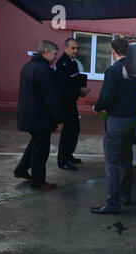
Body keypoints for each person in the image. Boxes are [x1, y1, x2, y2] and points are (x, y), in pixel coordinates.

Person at [90, 38, 136, 214]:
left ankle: (112, 204)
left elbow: (106, 98)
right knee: (125, 161)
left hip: (116, 122)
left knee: (112, 163)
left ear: (113, 51)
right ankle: (125, 196)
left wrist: (96, 107)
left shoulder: (113, 71)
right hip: (132, 120)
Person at [13, 41, 63, 190]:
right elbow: (50, 97)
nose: (56, 57)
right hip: (40, 118)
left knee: (35, 144)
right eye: (55, 54)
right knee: (41, 151)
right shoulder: (43, 70)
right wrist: (59, 118)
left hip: (29, 115)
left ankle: (21, 170)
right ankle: (38, 182)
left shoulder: (28, 66)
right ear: (46, 52)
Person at [56, 38, 90, 171]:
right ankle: (62, 161)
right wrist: (79, 90)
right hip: (64, 104)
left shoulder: (73, 63)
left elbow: (74, 80)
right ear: (66, 48)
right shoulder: (63, 64)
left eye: (77, 48)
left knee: (74, 130)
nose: (76, 51)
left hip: (71, 102)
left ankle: (69, 155)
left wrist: (80, 88)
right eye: (73, 48)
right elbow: (63, 88)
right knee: (68, 132)